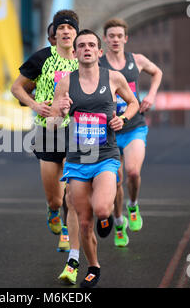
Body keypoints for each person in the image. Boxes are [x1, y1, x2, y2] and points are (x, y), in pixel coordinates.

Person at [51, 29, 139, 288]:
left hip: (106, 157)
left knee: (102, 209)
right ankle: (93, 267)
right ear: (75, 53)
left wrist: (122, 119)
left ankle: (108, 217)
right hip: (77, 159)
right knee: (84, 220)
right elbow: (54, 123)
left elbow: (133, 103)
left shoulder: (113, 78)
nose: (87, 49)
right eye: (82, 45)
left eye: (92, 45)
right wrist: (62, 111)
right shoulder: (66, 82)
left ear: (99, 52)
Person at [11, 10, 81, 282]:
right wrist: (34, 104)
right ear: (56, 33)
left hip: (77, 132)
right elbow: (17, 88)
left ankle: (70, 246)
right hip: (48, 131)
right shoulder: (42, 58)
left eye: (70, 28)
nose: (66, 32)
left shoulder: (84, 60)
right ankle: (53, 212)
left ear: (76, 33)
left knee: (72, 195)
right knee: (55, 197)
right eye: (61, 28)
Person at [99, 18, 162, 247]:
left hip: (134, 125)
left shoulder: (137, 60)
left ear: (126, 38)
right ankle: (118, 222)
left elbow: (157, 73)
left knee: (133, 172)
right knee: (115, 182)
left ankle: (133, 206)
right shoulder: (98, 61)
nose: (115, 40)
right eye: (111, 36)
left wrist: (151, 96)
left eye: (119, 36)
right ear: (105, 39)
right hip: (108, 130)